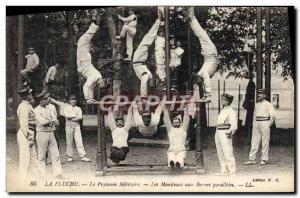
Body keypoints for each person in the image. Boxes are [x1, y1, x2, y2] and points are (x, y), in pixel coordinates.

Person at [77, 9, 110, 104]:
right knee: (83, 41)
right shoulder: (96, 77)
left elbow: (90, 87)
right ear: (103, 81)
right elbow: (86, 86)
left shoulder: (96, 79)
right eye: (102, 86)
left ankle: (95, 24)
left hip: (83, 64)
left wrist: (90, 98)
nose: (100, 87)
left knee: (84, 41)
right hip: (84, 62)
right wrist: (88, 99)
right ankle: (95, 24)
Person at [188, 7, 218, 102]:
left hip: (207, 54)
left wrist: (204, 96)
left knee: (200, 35)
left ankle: (191, 20)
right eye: (198, 82)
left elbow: (199, 78)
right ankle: (192, 18)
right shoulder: (204, 75)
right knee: (202, 34)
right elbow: (206, 82)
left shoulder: (200, 74)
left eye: (197, 81)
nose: (199, 82)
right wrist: (208, 96)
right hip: (211, 53)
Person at [132, 9, 163, 99]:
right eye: (154, 81)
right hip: (140, 60)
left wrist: (144, 97)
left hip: (138, 59)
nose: (153, 81)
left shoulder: (146, 77)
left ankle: (159, 20)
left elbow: (144, 82)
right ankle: (159, 22)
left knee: (148, 38)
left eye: (152, 82)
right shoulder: (149, 75)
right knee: (148, 38)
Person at [34, 92, 64, 179]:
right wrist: (51, 121)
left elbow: (55, 119)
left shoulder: (49, 108)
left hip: (51, 133)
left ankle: (58, 174)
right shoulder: (36, 110)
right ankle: (42, 175)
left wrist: (49, 120)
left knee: (55, 154)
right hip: (42, 133)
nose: (48, 100)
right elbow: (43, 122)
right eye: (46, 98)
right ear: (41, 100)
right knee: (42, 155)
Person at [244, 89, 276, 165]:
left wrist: (269, 124)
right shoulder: (257, 104)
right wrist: (254, 123)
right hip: (257, 123)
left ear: (265, 95)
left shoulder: (268, 104)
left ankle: (264, 159)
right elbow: (254, 115)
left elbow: (273, 115)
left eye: (261, 94)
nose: (259, 95)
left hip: (265, 122)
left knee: (265, 141)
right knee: (254, 141)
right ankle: (252, 159)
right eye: (258, 93)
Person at [16, 87, 39, 178]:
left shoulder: (28, 105)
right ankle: (22, 180)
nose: (31, 95)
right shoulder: (24, 107)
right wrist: (29, 138)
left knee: (33, 157)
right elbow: (24, 125)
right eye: (29, 94)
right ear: (25, 96)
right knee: (25, 159)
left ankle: (39, 178)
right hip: (25, 134)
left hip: (30, 133)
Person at [215, 94, 237, 176]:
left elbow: (234, 124)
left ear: (228, 101)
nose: (222, 101)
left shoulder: (231, 111)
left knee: (228, 152)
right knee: (220, 152)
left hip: (225, 132)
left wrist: (231, 131)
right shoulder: (223, 110)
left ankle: (232, 171)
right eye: (222, 99)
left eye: (224, 99)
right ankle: (224, 170)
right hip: (218, 131)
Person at [64, 95, 91, 162]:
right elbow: (67, 116)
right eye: (72, 99)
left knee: (79, 140)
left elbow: (80, 117)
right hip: (68, 125)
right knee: (69, 141)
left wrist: (72, 118)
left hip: (76, 125)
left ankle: (83, 156)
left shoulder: (78, 108)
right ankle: (70, 156)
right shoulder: (66, 108)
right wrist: (74, 116)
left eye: (74, 99)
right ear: (69, 101)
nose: (74, 101)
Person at [163, 100, 190, 169]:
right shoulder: (170, 130)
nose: (176, 123)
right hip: (171, 150)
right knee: (171, 158)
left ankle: (178, 163)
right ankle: (172, 162)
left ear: (180, 123)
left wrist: (185, 106)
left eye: (177, 122)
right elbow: (166, 119)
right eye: (174, 122)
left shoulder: (183, 130)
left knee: (179, 159)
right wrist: (165, 107)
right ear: (172, 123)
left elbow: (186, 118)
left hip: (181, 150)